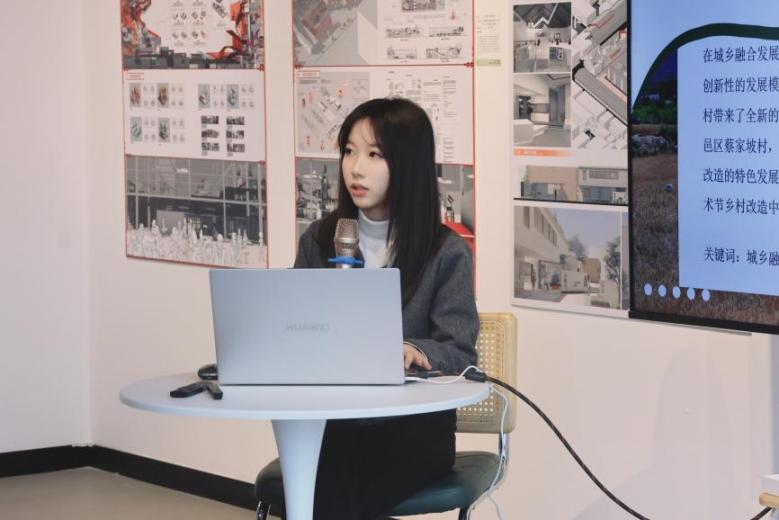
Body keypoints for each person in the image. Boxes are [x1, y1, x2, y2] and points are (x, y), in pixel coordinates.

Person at [293, 97, 479, 519]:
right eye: (349, 151)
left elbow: (461, 351)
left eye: (374, 154)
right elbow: (296, 325)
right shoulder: (320, 240)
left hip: (412, 428)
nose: (356, 168)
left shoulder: (444, 252)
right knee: (323, 474)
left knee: (334, 489)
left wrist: (415, 350)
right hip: (337, 421)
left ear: (407, 164)